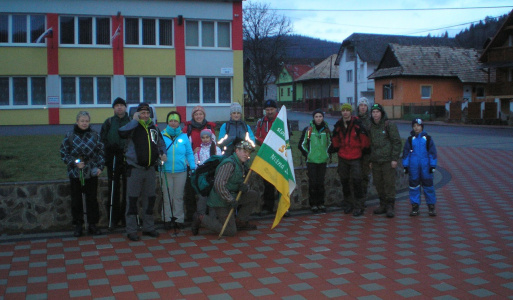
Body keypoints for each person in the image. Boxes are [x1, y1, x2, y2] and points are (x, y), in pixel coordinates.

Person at [119, 102, 167, 241]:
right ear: (137, 114)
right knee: (132, 200)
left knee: (150, 200)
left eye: (147, 113)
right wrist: (134, 121)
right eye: (142, 113)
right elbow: (121, 133)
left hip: (150, 169)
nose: (145, 115)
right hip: (135, 169)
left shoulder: (153, 128)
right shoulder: (133, 126)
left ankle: (148, 227)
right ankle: (132, 230)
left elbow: (160, 143)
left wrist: (162, 152)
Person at [191, 141, 258, 237]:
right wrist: (230, 200)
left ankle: (240, 221)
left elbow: (237, 181)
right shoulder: (229, 164)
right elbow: (219, 185)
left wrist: (244, 187)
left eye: (248, 152)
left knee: (253, 195)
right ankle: (201, 218)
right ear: (237, 151)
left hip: (232, 195)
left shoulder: (241, 164)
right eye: (244, 151)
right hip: (220, 200)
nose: (246, 154)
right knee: (230, 231)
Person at [60, 111, 105, 237]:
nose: (84, 123)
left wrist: (100, 167)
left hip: (91, 172)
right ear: (77, 122)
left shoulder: (95, 135)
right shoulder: (70, 135)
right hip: (76, 172)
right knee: (76, 200)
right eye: (82, 121)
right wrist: (75, 162)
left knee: (92, 199)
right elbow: (64, 153)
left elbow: (101, 152)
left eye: (86, 121)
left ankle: (92, 224)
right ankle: (78, 225)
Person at [331, 103, 370, 217]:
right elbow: (335, 139)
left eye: (347, 110)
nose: (345, 112)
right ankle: (348, 203)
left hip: (356, 157)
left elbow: (364, 140)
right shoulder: (339, 125)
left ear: (350, 112)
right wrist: (337, 148)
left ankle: (359, 206)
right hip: (343, 156)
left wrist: (362, 152)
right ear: (341, 112)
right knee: (345, 182)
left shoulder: (357, 124)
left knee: (357, 182)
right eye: (343, 111)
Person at [161, 111, 196, 229]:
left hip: (181, 171)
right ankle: (167, 218)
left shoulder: (184, 136)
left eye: (175, 121)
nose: (173, 123)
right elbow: (158, 151)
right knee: (167, 196)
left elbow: (189, 153)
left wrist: (192, 166)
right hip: (166, 171)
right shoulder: (162, 135)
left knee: (178, 196)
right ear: (167, 122)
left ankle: (178, 219)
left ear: (179, 122)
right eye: (171, 120)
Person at [182, 105, 217, 221]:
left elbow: (214, 143)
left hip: (207, 163)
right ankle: (192, 215)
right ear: (193, 116)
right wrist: (192, 152)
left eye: (200, 114)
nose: (198, 116)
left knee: (207, 188)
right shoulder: (188, 129)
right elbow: (184, 146)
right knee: (191, 189)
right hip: (191, 162)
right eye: (196, 114)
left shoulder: (209, 127)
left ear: (204, 115)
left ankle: (207, 215)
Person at [100, 97, 130, 228]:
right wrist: (109, 149)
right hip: (113, 158)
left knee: (128, 189)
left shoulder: (131, 121)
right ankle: (113, 217)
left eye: (121, 105)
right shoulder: (109, 122)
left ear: (125, 107)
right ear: (114, 108)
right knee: (113, 188)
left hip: (128, 158)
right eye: (117, 105)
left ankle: (126, 216)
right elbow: (102, 140)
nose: (119, 107)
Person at [255, 99, 288, 216]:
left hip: (279, 155)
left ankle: (283, 207)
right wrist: (263, 142)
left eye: (271, 109)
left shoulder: (282, 121)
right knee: (268, 182)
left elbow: (286, 138)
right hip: (266, 155)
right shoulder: (261, 122)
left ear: (276, 109)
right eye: (267, 110)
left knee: (281, 181)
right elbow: (257, 136)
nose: (269, 112)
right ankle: (268, 207)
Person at [368, 103, 402, 218]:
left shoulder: (389, 125)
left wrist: (394, 158)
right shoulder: (370, 126)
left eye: (377, 112)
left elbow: (396, 142)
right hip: (376, 160)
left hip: (387, 160)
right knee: (378, 183)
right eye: (373, 112)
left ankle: (390, 206)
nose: (375, 114)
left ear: (381, 113)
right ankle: (382, 204)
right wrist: (370, 160)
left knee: (389, 183)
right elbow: (370, 144)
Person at [402, 118, 438, 217]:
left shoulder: (428, 139)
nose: (416, 128)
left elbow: (432, 154)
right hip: (414, 168)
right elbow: (406, 154)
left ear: (422, 127)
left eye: (418, 126)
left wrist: (433, 165)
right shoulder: (410, 140)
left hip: (426, 168)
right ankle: (415, 207)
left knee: (429, 187)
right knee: (414, 187)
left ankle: (431, 206)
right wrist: (405, 166)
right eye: (414, 126)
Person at [298, 109, 331, 213]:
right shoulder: (309, 130)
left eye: (320, 116)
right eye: (316, 116)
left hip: (322, 160)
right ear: (313, 118)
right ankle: (313, 204)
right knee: (313, 183)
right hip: (312, 161)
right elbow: (302, 144)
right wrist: (308, 154)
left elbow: (330, 143)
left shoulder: (326, 130)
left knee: (321, 183)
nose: (318, 118)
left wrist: (327, 154)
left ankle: (321, 203)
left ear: (323, 118)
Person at [195, 129, 222, 216]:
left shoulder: (216, 149)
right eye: (203, 137)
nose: (205, 139)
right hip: (203, 177)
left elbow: (220, 161)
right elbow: (196, 163)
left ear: (211, 137)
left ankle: (212, 218)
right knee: (202, 198)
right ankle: (201, 217)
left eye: (207, 137)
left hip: (213, 176)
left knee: (213, 198)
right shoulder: (199, 151)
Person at [357, 97, 372, 200]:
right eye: (361, 105)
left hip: (367, 153)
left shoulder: (371, 121)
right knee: (355, 176)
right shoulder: (354, 119)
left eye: (365, 105)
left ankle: (363, 197)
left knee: (365, 176)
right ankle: (355, 197)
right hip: (355, 152)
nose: (363, 107)